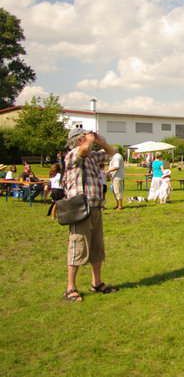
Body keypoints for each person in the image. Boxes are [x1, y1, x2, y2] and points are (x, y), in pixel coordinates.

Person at [63, 128, 118, 302]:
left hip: (95, 208)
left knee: (96, 247)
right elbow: (84, 150)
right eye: (87, 137)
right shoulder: (72, 155)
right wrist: (88, 140)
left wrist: (100, 141)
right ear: (78, 140)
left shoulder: (93, 157)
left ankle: (97, 283)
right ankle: (70, 288)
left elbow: (113, 153)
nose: (91, 139)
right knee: (78, 246)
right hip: (79, 209)